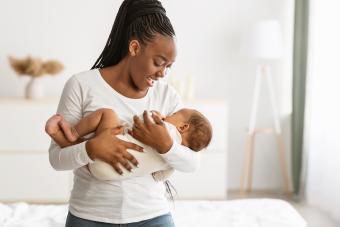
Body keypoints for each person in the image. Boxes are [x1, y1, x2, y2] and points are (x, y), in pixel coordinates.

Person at [48, 0, 201, 226]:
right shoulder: (82, 85)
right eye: (159, 63)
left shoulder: (167, 96)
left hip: (152, 216)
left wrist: (166, 145)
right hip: (89, 217)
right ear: (135, 47)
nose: (163, 73)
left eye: (169, 66)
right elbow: (56, 159)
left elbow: (192, 163)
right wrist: (90, 148)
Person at [46, 108, 212, 181]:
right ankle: (56, 134)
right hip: (111, 174)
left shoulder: (166, 128)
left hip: (109, 149)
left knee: (108, 114)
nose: (169, 114)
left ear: (183, 127)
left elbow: (139, 121)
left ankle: (72, 132)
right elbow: (158, 177)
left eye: (174, 114)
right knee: (91, 147)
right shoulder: (172, 162)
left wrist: (156, 116)